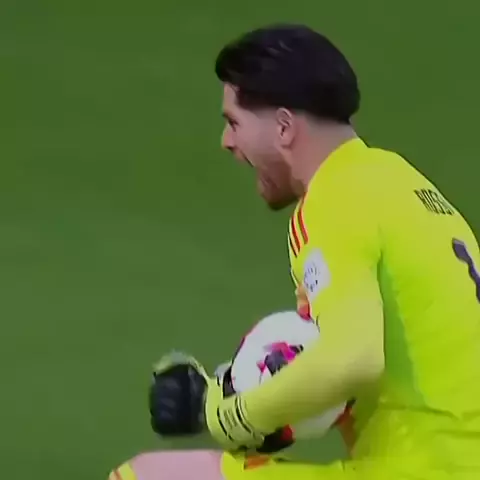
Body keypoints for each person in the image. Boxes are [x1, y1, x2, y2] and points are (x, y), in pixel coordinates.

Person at [110, 24, 480, 480]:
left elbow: (353, 360)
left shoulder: (333, 199)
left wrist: (226, 417)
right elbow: (348, 378)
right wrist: (219, 395)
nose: (227, 141)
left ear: (284, 127)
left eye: (234, 122)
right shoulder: (403, 184)